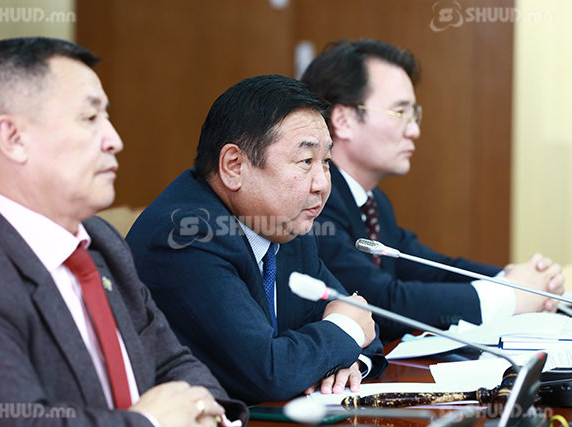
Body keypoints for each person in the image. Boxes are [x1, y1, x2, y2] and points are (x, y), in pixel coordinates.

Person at [0, 37, 247, 427]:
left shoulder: (100, 242)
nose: (115, 140)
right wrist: (149, 423)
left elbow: (173, 362)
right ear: (14, 138)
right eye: (90, 119)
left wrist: (210, 417)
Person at [126, 74, 388, 404]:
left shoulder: (286, 225)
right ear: (234, 166)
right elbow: (268, 372)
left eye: (325, 162)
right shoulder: (185, 236)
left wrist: (348, 360)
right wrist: (343, 334)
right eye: (306, 161)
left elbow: (360, 321)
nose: (322, 183)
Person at [300, 39, 566, 343]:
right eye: (400, 112)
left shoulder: (372, 201)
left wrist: (519, 280)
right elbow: (379, 301)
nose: (414, 130)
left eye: (414, 114)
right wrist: (510, 296)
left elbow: (430, 268)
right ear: (344, 121)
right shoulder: (316, 200)